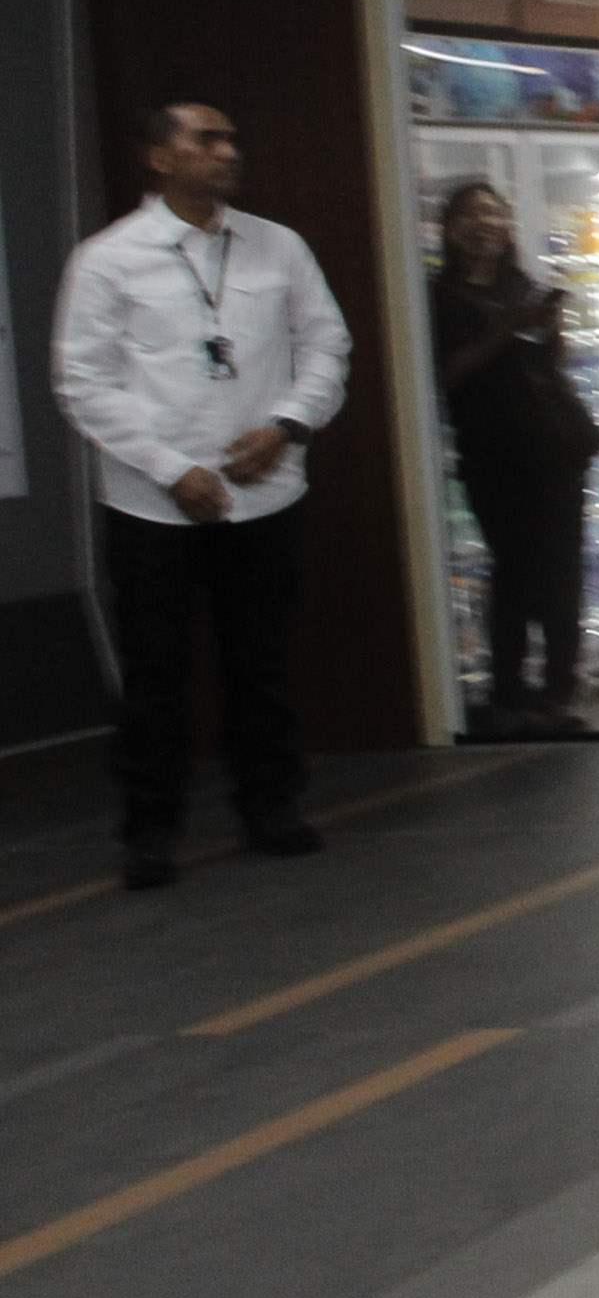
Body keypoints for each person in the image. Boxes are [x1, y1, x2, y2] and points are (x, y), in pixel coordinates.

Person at [54, 102, 350, 889]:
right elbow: (81, 381)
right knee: (158, 676)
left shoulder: (277, 245)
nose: (226, 151)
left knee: (262, 666)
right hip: (155, 506)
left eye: (231, 139)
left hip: (267, 492)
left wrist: (288, 425)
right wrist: (170, 469)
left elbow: (327, 344)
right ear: (158, 157)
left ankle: (271, 807)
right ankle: (150, 832)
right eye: (205, 139)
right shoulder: (109, 259)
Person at [428, 180, 599, 735]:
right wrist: (504, 331)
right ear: (450, 229)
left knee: (562, 570)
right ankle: (508, 689)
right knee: (513, 570)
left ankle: (558, 689)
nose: (484, 223)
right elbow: (447, 376)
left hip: (552, 447)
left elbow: (549, 366)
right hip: (493, 453)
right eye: (471, 214)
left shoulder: (522, 286)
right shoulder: (439, 297)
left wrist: (550, 330)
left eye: (493, 213)